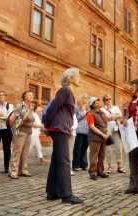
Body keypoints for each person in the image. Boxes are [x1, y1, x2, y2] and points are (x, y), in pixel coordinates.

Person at [44, 67, 83, 204]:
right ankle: (66, 195)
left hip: (61, 128)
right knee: (65, 160)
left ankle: (52, 192)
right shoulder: (66, 90)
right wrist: (46, 124)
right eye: (78, 76)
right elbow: (52, 107)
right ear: (70, 78)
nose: (80, 79)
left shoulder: (69, 92)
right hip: (59, 128)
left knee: (57, 159)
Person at [9, 91, 35, 179]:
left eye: (32, 95)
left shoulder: (31, 107)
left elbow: (31, 119)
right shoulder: (20, 106)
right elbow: (12, 118)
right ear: (24, 97)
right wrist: (14, 130)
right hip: (20, 131)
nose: (32, 96)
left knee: (25, 152)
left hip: (28, 132)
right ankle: (13, 171)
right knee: (17, 151)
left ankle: (23, 170)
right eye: (29, 95)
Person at [101, 94, 126, 174]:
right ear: (104, 101)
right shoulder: (102, 109)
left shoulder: (116, 107)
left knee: (118, 147)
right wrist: (114, 116)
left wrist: (111, 117)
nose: (108, 100)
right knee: (108, 149)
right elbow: (105, 118)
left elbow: (120, 115)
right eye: (106, 99)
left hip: (116, 129)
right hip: (107, 129)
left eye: (109, 99)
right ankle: (110, 166)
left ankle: (120, 166)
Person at [86, 97, 110, 181]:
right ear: (91, 104)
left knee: (102, 155)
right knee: (94, 155)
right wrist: (102, 134)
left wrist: (106, 133)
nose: (97, 103)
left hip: (103, 137)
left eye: (98, 101)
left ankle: (100, 171)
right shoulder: (90, 113)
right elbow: (92, 127)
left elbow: (106, 123)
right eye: (95, 102)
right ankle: (92, 172)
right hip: (95, 137)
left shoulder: (101, 113)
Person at [72, 93, 89, 172]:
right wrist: (83, 116)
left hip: (87, 131)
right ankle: (76, 165)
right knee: (77, 148)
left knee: (84, 148)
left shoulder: (88, 109)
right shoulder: (77, 108)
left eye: (86, 98)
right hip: (79, 130)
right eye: (84, 97)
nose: (86, 99)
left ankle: (84, 164)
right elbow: (74, 119)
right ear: (80, 99)